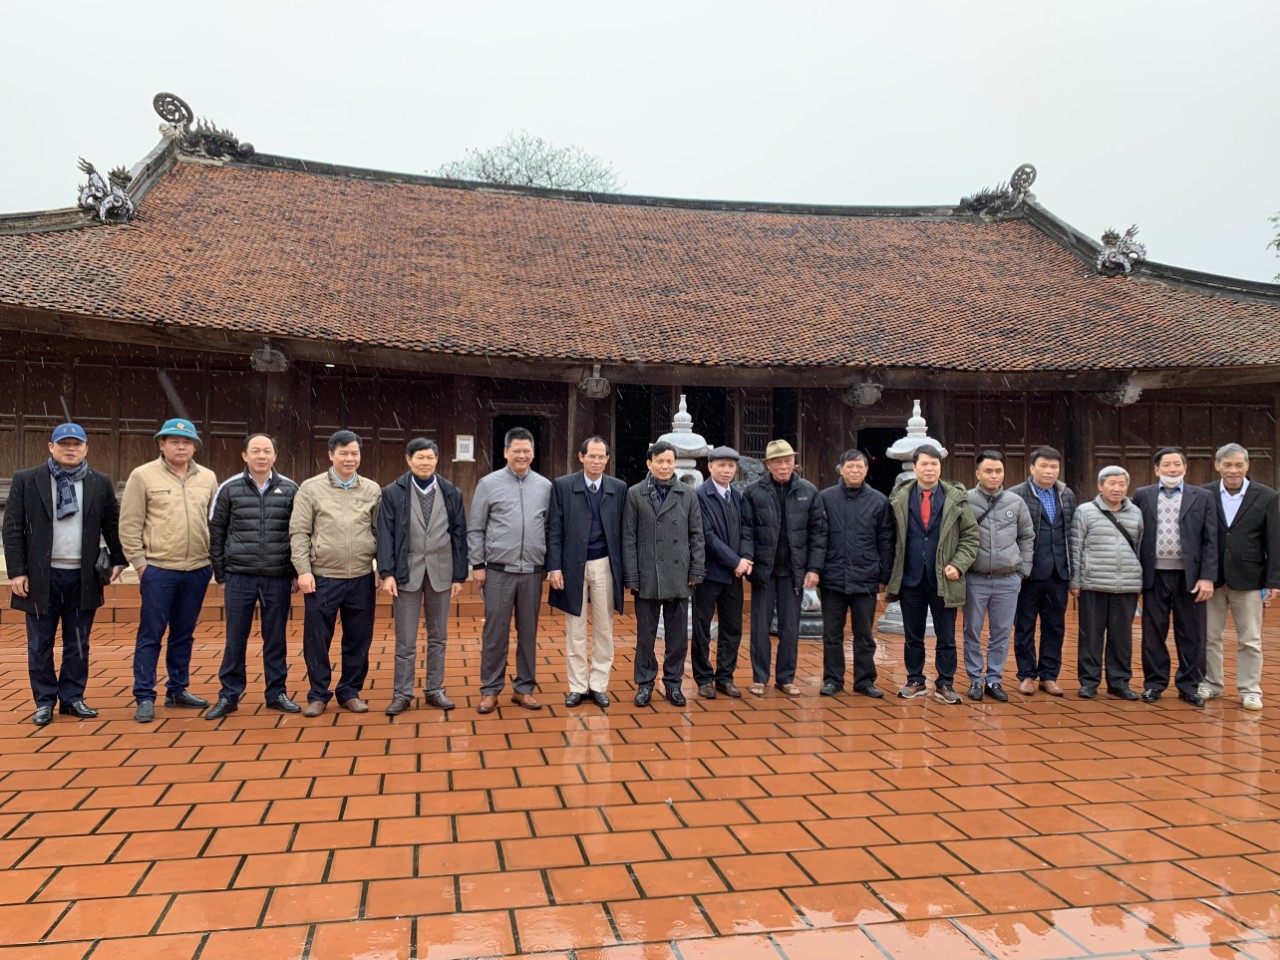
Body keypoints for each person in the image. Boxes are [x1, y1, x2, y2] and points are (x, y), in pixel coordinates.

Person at [3, 423, 125, 726]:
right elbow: (13, 527)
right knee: (39, 643)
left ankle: (72, 698)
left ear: (86, 448)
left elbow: (112, 525)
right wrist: (17, 572)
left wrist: (119, 560)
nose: (70, 449)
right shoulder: (27, 479)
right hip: (41, 577)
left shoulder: (99, 482)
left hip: (83, 577)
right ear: (51, 447)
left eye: (76, 444)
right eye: (64, 444)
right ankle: (44, 701)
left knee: (79, 642)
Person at [120, 418, 218, 723]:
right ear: (161, 444)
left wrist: (214, 561)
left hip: (198, 568)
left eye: (187, 442)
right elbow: (129, 524)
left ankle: (177, 689)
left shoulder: (208, 477)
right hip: (159, 569)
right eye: (174, 441)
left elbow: (215, 521)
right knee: (151, 633)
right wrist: (140, 564)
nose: (181, 447)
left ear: (195, 447)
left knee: (184, 633)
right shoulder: (143, 476)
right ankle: (144, 695)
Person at [206, 433, 301, 719]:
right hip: (240, 576)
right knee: (235, 638)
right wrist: (221, 574)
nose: (262, 456)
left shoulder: (291, 489)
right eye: (256, 451)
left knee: (276, 638)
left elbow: (299, 532)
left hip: (277, 576)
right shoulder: (229, 488)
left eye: (267, 451)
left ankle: (277, 693)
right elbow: (216, 532)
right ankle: (229, 695)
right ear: (244, 455)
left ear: (275, 456)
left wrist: (295, 572)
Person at [290, 429, 381, 717]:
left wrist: (381, 568)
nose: (349, 458)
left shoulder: (372, 490)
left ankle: (350, 691)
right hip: (323, 576)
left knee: (358, 639)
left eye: (355, 453)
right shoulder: (311, 488)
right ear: (331, 455)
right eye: (343, 453)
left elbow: (380, 532)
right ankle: (318, 694)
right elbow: (299, 532)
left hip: (361, 577)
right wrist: (303, 570)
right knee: (317, 639)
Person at [378, 438, 468, 716]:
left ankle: (434, 689)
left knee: (438, 636)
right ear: (408, 460)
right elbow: (385, 534)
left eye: (430, 457)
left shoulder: (451, 492)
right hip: (406, 572)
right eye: (420, 457)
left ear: (437, 459)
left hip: (442, 571)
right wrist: (387, 573)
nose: (425, 462)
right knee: (405, 639)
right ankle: (402, 693)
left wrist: (459, 576)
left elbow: (459, 535)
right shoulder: (393, 492)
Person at [885, 445, 979, 705]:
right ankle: (915, 680)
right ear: (914, 467)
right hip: (911, 577)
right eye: (924, 464)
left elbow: (971, 536)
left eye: (934, 464)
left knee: (946, 636)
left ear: (940, 467)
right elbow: (889, 537)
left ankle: (945, 683)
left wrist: (958, 564)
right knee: (912, 635)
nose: (929, 468)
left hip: (945, 579)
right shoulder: (899, 498)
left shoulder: (955, 498)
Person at [469, 427, 553, 714]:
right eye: (516, 450)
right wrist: (478, 565)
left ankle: (524, 688)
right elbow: (476, 528)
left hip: (532, 571)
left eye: (526, 450)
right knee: (495, 632)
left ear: (533, 453)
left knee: (528, 633)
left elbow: (550, 528)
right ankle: (490, 689)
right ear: (506, 452)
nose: (522, 455)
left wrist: (549, 564)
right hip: (498, 571)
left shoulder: (544, 486)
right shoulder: (488, 484)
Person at [740, 439, 827, 696]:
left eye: (788, 461)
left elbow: (818, 533)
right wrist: (747, 558)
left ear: (794, 462)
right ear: (768, 464)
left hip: (794, 571)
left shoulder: (808, 491)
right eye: (777, 462)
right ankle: (759, 677)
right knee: (760, 628)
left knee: (790, 627)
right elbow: (747, 530)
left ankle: (786, 678)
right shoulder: (753, 492)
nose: (783, 466)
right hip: (763, 571)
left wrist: (814, 568)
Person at [1132, 447, 1218, 706]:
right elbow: (1135, 533)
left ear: (1185, 468)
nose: (1172, 469)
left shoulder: (1203, 497)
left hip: (1190, 577)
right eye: (1167, 465)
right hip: (1154, 574)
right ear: (1156, 469)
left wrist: (1207, 577)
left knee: (1192, 633)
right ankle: (1154, 684)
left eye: (1177, 464)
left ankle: (1189, 686)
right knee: (1153, 632)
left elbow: (1210, 540)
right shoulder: (1142, 495)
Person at [622, 440, 705, 707]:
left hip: (679, 574)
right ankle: (645, 683)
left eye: (670, 461)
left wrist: (696, 569)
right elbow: (629, 538)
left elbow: (697, 535)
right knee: (645, 637)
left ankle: (673, 683)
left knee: (677, 637)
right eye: (660, 461)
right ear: (649, 463)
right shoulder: (635, 494)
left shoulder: (688, 494)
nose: (665, 466)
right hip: (647, 574)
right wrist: (632, 576)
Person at [547, 436, 626, 709]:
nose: (596, 461)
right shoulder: (563, 486)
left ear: (607, 459)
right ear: (581, 457)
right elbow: (554, 528)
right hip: (572, 565)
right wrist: (554, 567)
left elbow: (624, 531)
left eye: (601, 456)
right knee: (575, 628)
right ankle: (578, 686)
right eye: (591, 456)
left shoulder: (618, 488)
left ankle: (599, 684)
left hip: (604, 563)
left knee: (604, 628)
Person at [1199, 443, 1279, 711]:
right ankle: (1211, 683)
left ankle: (1250, 690)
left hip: (1250, 578)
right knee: (1210, 637)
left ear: (1247, 465)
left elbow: (1274, 540)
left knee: (1250, 639)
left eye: (1238, 464)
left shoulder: (1267, 496)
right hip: (1212, 578)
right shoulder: (1204, 494)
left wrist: (1274, 581)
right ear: (1217, 466)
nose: (1233, 470)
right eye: (1227, 464)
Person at [817, 450, 893, 698]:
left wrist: (884, 575)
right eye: (850, 466)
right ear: (841, 469)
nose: (855, 471)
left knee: (864, 634)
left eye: (860, 467)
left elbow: (886, 540)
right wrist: (816, 569)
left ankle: (865, 680)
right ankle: (833, 679)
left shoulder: (879, 501)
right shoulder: (825, 498)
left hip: (866, 577)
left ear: (866, 470)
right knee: (832, 634)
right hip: (832, 576)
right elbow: (818, 536)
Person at [962, 451, 1033, 702]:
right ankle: (975, 679)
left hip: (1007, 579)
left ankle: (994, 679)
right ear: (977, 473)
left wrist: (1022, 570)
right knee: (972, 630)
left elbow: (1027, 536)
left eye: (998, 471)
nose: (994, 475)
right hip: (975, 578)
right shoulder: (965, 500)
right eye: (988, 471)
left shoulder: (1015, 502)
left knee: (1001, 632)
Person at [1069, 466, 1143, 700]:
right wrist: (1075, 581)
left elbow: (1142, 549)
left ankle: (1119, 682)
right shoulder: (1085, 511)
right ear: (1100, 486)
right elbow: (1075, 547)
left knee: (1122, 638)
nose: (1117, 488)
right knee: (1090, 636)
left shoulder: (1136, 513)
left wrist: (1140, 581)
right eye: (1111, 483)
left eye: (1122, 484)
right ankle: (1089, 681)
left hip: (1126, 585)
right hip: (1093, 583)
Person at [1010, 446, 1078, 697]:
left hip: (1058, 572)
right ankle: (1027, 674)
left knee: (1055, 626)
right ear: (1032, 468)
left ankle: (1049, 675)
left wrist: (1073, 572)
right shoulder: (1016, 495)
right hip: (1028, 573)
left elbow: (1071, 533)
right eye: (1044, 466)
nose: (1049, 471)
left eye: (1054, 467)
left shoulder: (1066, 494)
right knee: (1024, 625)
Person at [691, 446, 751, 699]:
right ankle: (704, 678)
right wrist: (735, 561)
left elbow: (747, 529)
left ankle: (725, 677)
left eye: (731, 466)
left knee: (732, 627)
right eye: (721, 465)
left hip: (734, 576)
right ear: (710, 466)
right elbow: (707, 536)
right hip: (708, 573)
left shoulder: (737, 495)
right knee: (702, 628)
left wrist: (746, 558)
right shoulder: (699, 495)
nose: (727, 470)